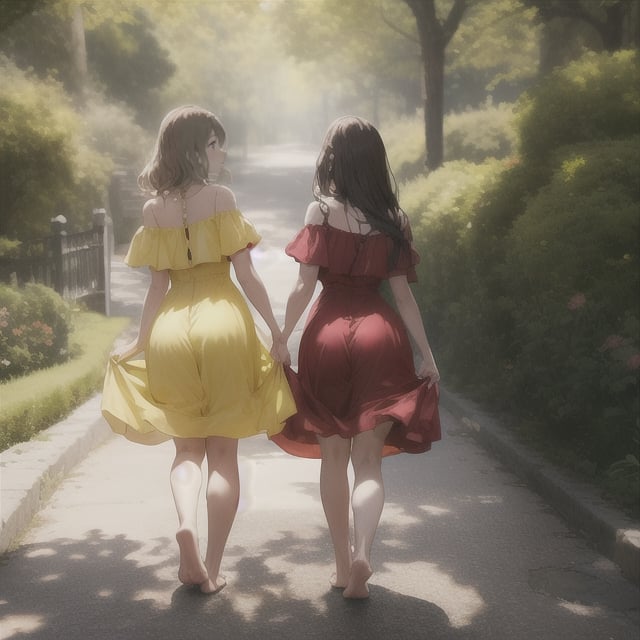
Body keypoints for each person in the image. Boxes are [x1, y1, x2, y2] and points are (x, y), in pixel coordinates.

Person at [101, 105, 295, 594]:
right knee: (223, 455)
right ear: (194, 148)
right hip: (223, 322)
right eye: (214, 143)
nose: (221, 151)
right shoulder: (222, 198)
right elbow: (247, 277)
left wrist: (140, 343)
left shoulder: (153, 210)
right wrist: (276, 331)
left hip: (171, 329)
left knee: (186, 450)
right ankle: (209, 565)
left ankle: (184, 521)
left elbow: (155, 289)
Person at [271, 116, 441, 599]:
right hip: (380, 334)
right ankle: (365, 550)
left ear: (333, 159)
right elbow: (403, 296)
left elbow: (304, 285)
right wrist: (427, 354)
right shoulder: (396, 219)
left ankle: (343, 567)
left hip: (325, 334)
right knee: (369, 464)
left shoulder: (320, 212)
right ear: (376, 160)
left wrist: (282, 335)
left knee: (333, 458)